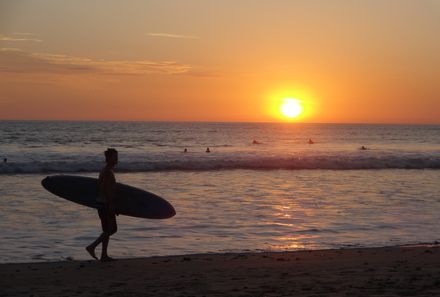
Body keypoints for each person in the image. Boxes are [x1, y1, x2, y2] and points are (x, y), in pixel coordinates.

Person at [86, 148, 118, 261]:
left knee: (107, 230)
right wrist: (111, 204)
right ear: (108, 158)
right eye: (114, 157)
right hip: (105, 204)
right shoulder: (107, 172)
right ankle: (92, 246)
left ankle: (104, 255)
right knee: (111, 229)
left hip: (103, 203)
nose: (117, 159)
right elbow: (105, 189)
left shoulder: (107, 170)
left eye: (117, 157)